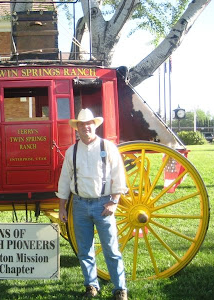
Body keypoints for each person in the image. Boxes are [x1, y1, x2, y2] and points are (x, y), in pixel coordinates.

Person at [56, 108, 128, 300]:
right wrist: (62, 207)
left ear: (94, 126)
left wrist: (113, 202)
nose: (86, 127)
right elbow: (64, 180)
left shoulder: (108, 147)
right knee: (84, 250)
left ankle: (120, 289)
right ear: (77, 128)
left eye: (89, 124)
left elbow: (118, 176)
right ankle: (91, 286)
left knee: (111, 250)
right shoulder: (72, 151)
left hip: (104, 205)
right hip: (79, 205)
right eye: (82, 124)